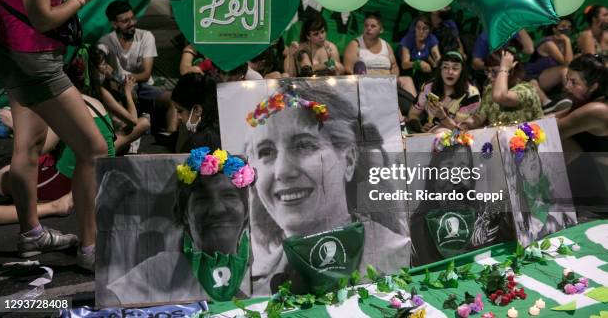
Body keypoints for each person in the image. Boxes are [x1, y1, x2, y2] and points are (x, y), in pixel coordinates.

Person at [0, 0, 106, 268]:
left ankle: (31, 234)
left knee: (27, 146)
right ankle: (90, 249)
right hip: (38, 64)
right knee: (93, 148)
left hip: (14, 61)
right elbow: (42, 17)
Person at [244, 81, 409, 294]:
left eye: (303, 145)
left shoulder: (397, 258)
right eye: (266, 152)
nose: (282, 171)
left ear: (349, 160)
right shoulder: (254, 283)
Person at [101, 152, 252, 305]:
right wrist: (104, 212)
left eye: (229, 195)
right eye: (203, 199)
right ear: (185, 215)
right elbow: (109, 301)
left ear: (246, 211)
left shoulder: (264, 270)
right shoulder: (167, 268)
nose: (217, 209)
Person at [0, 56, 117, 224]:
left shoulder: (61, 106)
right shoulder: (92, 101)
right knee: (7, 169)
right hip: (103, 176)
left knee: (2, 179)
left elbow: (38, 148)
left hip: (71, 182)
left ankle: (51, 207)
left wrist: (14, 124)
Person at [410, 134, 512, 266]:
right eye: (447, 168)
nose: (455, 177)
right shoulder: (418, 226)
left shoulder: (487, 213)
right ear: (433, 176)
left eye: (463, 168)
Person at [97, 0, 177, 134]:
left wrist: (120, 77)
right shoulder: (107, 41)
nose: (132, 23)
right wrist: (102, 67)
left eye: (132, 18)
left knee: (174, 98)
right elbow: (100, 62)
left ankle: (171, 136)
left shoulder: (145, 37)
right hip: (119, 88)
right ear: (114, 24)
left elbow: (146, 74)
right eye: (125, 21)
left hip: (142, 87)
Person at [556, 54, 608, 213]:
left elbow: (552, 131)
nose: (566, 87)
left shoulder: (597, 111)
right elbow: (553, 117)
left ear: (593, 86)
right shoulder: (591, 103)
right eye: (566, 80)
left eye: (574, 82)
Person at [88, 46, 150, 154]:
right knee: (144, 122)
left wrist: (114, 79)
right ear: (94, 69)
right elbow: (133, 120)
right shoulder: (100, 92)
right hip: (102, 149)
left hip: (86, 143)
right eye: (103, 64)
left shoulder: (84, 87)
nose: (107, 67)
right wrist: (127, 91)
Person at [461, 49, 543, 129]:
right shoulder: (490, 89)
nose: (489, 76)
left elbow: (500, 96)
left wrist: (503, 68)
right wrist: (465, 124)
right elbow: (479, 118)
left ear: (511, 71)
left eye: (495, 72)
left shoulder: (526, 89)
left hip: (530, 141)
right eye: (487, 71)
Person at [407, 50, 480, 133]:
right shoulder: (429, 87)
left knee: (442, 131)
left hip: (459, 139)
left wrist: (442, 117)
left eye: (455, 68)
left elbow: (460, 131)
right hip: (430, 135)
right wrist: (420, 128)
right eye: (445, 67)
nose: (450, 72)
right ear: (440, 69)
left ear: (462, 71)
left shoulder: (472, 95)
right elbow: (413, 114)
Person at [526, 19, 574, 113]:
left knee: (569, 70)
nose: (566, 29)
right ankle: (572, 97)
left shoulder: (563, 43)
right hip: (534, 77)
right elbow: (567, 63)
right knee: (564, 70)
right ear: (554, 29)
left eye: (569, 27)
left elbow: (571, 63)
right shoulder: (548, 43)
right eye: (563, 26)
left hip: (549, 78)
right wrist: (567, 41)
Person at [171, 73, 221, 153]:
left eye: (180, 111)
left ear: (197, 110)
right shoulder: (222, 128)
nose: (178, 117)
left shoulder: (197, 144)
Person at [398, 14, 441, 88]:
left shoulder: (431, 38)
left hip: (423, 68)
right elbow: (404, 64)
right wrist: (418, 63)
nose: (421, 31)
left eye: (425, 28)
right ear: (415, 28)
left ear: (430, 30)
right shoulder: (408, 39)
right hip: (409, 68)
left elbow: (437, 57)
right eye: (418, 28)